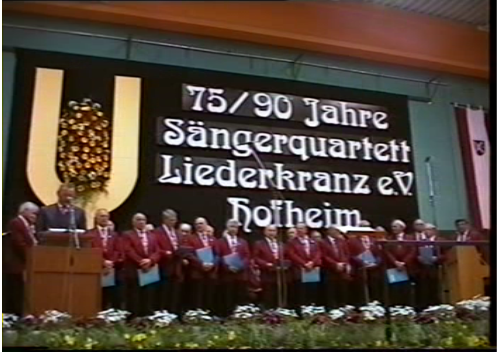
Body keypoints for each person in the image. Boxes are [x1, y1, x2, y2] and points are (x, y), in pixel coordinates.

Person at [4, 202, 40, 315]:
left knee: (20, 292)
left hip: (23, 264)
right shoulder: (16, 223)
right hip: (16, 264)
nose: (35, 217)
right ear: (24, 211)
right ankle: (13, 316)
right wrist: (32, 256)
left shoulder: (27, 225)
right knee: (15, 291)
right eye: (33, 214)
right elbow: (19, 243)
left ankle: (20, 315)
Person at [122, 213, 161, 317]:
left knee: (148, 294)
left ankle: (147, 317)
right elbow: (128, 250)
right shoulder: (127, 234)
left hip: (149, 269)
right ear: (133, 222)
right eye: (138, 219)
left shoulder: (152, 235)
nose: (141, 222)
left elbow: (157, 251)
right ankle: (134, 318)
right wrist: (141, 261)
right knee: (134, 295)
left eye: (143, 220)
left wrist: (150, 260)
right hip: (134, 269)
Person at [88, 209, 123, 310]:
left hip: (111, 270)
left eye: (106, 216)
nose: (104, 218)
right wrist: (103, 262)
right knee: (97, 295)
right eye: (101, 216)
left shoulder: (115, 234)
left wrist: (110, 263)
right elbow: (90, 251)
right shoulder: (90, 234)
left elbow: (118, 250)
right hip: (95, 268)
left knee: (111, 294)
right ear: (96, 218)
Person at [214, 219, 251, 317]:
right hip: (227, 275)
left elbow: (247, 256)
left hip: (240, 274)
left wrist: (240, 266)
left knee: (239, 296)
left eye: (236, 227)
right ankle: (227, 316)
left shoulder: (243, 242)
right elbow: (218, 256)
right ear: (227, 227)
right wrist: (228, 267)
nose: (234, 229)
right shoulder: (220, 242)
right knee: (227, 296)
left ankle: (240, 316)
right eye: (232, 227)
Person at [286, 223, 321, 312]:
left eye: (301, 228)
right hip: (300, 268)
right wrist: (304, 263)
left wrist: (312, 262)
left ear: (306, 230)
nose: (300, 230)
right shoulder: (292, 242)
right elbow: (292, 254)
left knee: (311, 288)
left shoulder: (312, 241)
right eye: (298, 228)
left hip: (312, 268)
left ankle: (310, 306)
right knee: (300, 289)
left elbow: (318, 253)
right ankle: (300, 308)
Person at [154, 209, 184, 314]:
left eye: (175, 220)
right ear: (165, 220)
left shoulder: (178, 233)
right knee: (163, 293)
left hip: (177, 267)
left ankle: (173, 313)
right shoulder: (157, 232)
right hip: (164, 267)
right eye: (171, 220)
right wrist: (166, 253)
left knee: (175, 293)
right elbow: (155, 248)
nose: (174, 222)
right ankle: (162, 313)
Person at [185, 217, 218, 312]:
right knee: (197, 295)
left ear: (206, 225)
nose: (199, 225)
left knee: (209, 295)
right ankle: (197, 315)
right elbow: (189, 254)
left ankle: (208, 314)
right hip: (197, 271)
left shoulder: (212, 239)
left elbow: (217, 254)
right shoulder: (191, 238)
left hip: (210, 272)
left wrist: (212, 263)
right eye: (197, 224)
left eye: (201, 223)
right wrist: (201, 263)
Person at [253, 225, 287, 310]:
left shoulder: (281, 244)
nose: (271, 233)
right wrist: (266, 264)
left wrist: (284, 265)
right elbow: (256, 258)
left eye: (273, 231)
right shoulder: (259, 243)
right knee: (268, 292)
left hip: (279, 273)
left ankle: (277, 311)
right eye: (269, 231)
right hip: (266, 273)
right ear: (265, 232)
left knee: (277, 292)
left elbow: (286, 257)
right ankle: (267, 312)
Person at [384, 220, 416, 307]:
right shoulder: (389, 238)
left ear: (402, 227)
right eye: (392, 226)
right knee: (395, 289)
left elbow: (413, 251)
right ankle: (396, 308)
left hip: (407, 267)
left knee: (406, 289)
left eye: (395, 226)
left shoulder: (410, 238)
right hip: (393, 267)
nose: (393, 228)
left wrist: (404, 263)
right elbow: (387, 252)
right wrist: (395, 262)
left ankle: (408, 308)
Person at [320, 226, 353, 309]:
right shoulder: (323, 242)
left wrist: (345, 263)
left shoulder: (341, 241)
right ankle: (331, 307)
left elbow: (347, 253)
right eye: (336, 231)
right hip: (329, 269)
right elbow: (324, 256)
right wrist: (335, 264)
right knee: (331, 289)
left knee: (342, 287)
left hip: (342, 269)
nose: (338, 233)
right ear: (330, 231)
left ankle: (342, 305)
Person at [347, 230, 384, 306]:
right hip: (360, 269)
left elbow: (379, 254)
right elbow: (351, 255)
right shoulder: (352, 241)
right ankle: (362, 305)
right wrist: (362, 262)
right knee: (361, 288)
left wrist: (376, 263)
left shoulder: (374, 240)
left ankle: (375, 304)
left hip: (373, 269)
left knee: (374, 286)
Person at [414, 223, 446, 310]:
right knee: (424, 288)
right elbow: (416, 253)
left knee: (435, 287)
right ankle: (425, 307)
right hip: (423, 267)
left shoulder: (440, 240)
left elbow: (446, 254)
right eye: (425, 230)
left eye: (428, 229)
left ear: (434, 230)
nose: (426, 232)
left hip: (435, 267)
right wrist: (419, 257)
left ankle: (436, 305)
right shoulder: (422, 241)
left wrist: (437, 258)